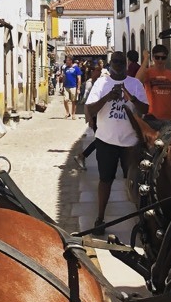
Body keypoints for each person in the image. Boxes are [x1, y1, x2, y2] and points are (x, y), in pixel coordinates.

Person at [84, 51, 149, 231]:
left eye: (121, 62)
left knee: (134, 181)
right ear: (110, 63)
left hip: (130, 143)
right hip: (106, 141)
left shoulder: (134, 84)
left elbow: (145, 108)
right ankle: (100, 219)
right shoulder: (102, 83)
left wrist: (132, 98)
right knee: (105, 180)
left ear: (126, 63)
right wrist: (107, 97)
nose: (118, 65)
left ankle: (141, 220)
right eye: (115, 62)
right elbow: (90, 108)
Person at [136, 45, 171, 122]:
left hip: (169, 117)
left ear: (166, 58)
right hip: (151, 117)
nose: (160, 60)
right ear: (153, 58)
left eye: (163, 58)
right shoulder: (148, 72)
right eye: (157, 57)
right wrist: (146, 59)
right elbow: (137, 80)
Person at [74, 61, 103, 170]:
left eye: (100, 71)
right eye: (98, 71)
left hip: (99, 115)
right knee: (101, 140)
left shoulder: (99, 82)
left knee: (101, 140)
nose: (100, 73)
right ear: (93, 72)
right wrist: (89, 118)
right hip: (95, 116)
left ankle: (83, 156)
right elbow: (86, 101)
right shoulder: (90, 84)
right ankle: (82, 156)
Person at [60, 55, 82, 120]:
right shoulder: (65, 68)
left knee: (73, 101)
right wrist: (62, 86)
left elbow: (79, 79)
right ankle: (67, 112)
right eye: (66, 60)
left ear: (71, 61)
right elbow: (64, 77)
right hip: (66, 86)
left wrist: (78, 88)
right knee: (65, 100)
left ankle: (73, 114)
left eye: (67, 60)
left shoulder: (76, 68)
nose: (66, 61)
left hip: (73, 87)